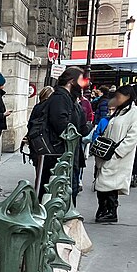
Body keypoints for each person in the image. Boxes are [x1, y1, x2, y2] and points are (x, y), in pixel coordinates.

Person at [37, 66, 91, 197]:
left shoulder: (70, 99)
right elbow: (62, 127)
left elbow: (80, 127)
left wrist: (85, 127)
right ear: (71, 81)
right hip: (60, 154)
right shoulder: (60, 98)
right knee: (57, 193)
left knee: (66, 192)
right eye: (81, 80)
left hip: (67, 155)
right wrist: (86, 127)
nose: (83, 84)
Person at [93, 86, 137, 223]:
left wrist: (118, 152)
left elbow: (134, 136)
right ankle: (104, 209)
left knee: (110, 184)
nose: (117, 98)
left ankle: (110, 210)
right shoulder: (120, 111)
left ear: (128, 96)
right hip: (108, 154)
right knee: (103, 182)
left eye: (119, 96)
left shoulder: (135, 113)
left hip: (119, 156)